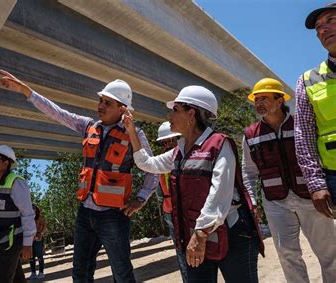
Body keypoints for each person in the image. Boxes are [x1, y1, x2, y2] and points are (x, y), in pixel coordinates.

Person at [0, 70, 158, 282]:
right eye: (100, 100)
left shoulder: (134, 135)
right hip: (85, 213)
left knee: (122, 273)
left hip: (113, 216)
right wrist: (27, 92)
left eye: (107, 103)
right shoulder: (88, 126)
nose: (100, 106)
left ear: (123, 109)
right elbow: (57, 113)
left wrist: (141, 198)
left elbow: (152, 168)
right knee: (80, 273)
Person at [122, 85, 264, 282]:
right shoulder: (179, 151)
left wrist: (200, 234)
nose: (169, 115)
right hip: (197, 235)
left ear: (191, 114)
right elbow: (147, 163)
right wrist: (131, 131)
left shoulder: (220, 144)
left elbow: (219, 194)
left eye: (175, 110)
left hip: (232, 235)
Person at [242, 78, 336, 283]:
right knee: (287, 254)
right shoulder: (250, 135)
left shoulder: (303, 124)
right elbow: (248, 171)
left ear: (279, 100)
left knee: (330, 253)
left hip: (311, 198)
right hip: (275, 203)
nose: (259, 103)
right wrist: (252, 200)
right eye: (256, 99)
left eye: (265, 98)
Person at [295, 2, 336, 219]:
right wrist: (315, 183)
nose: (323, 29)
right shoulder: (308, 80)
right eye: (319, 27)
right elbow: (304, 137)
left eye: (331, 21)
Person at [0, 145, 36, 283]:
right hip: (2, 242)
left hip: (13, 242)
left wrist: (28, 243)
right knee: (17, 279)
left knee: (2, 279)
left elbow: (27, 213)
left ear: (6, 163)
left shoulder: (17, 182)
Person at [155, 122, 188, 282]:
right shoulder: (163, 163)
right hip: (171, 213)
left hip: (188, 213)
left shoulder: (188, 157)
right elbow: (160, 193)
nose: (167, 145)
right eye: (165, 142)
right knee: (181, 253)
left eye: (171, 140)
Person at [27, 204, 47, 280]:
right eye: (31, 208)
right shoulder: (27, 218)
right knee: (31, 256)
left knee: (39, 256)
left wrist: (41, 234)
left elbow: (45, 227)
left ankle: (41, 273)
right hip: (30, 240)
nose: (32, 209)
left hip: (38, 239)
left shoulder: (40, 218)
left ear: (36, 209)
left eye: (34, 208)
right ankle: (33, 273)